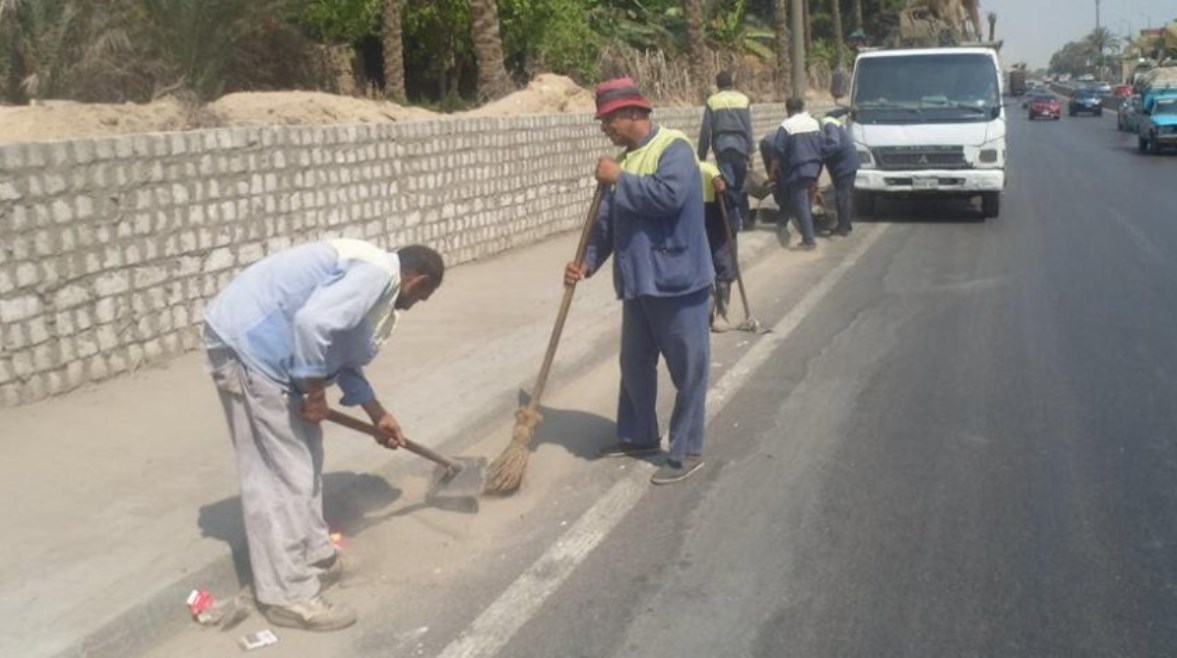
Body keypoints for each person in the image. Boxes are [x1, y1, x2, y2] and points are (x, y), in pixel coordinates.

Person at [202, 239, 444, 631]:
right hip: (248, 350)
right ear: (417, 281)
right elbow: (312, 325)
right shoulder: (375, 275)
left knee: (307, 460)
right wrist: (316, 394)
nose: (416, 305)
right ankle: (287, 596)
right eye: (422, 297)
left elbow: (339, 353)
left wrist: (377, 412)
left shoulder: (373, 281)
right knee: (281, 478)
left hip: (272, 356)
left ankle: (316, 556)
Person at [565, 76, 713, 485]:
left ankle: (687, 450)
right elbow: (608, 224)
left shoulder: (674, 149)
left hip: (677, 281)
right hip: (639, 283)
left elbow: (669, 197)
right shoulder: (626, 159)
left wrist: (619, 180)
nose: (604, 128)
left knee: (689, 371)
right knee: (634, 364)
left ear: (633, 113)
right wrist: (588, 262)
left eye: (607, 119)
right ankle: (638, 435)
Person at [697, 71, 753, 229]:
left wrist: (701, 154)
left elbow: (706, 130)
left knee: (728, 184)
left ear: (717, 84)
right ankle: (745, 218)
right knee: (741, 182)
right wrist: (751, 150)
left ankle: (733, 221)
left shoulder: (713, 101)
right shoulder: (743, 99)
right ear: (732, 83)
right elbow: (749, 127)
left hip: (723, 147)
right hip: (741, 146)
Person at [771, 97, 825, 250]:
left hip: (798, 170)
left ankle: (809, 241)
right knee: (803, 202)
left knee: (801, 204)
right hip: (814, 167)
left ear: (787, 109)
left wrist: (773, 170)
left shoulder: (787, 125)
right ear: (802, 107)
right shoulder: (814, 123)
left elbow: (778, 149)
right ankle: (787, 223)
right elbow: (822, 144)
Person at [699, 160, 738, 332]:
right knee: (702, 268)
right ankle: (706, 314)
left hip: (721, 222)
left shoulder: (710, 170)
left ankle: (722, 314)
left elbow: (733, 201)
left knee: (723, 266)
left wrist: (723, 190)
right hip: (697, 224)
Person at [820, 108, 860, 237]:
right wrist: (847, 109)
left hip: (845, 165)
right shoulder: (828, 119)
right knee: (845, 195)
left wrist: (821, 153)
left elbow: (834, 144)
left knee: (842, 196)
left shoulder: (828, 125)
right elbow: (834, 113)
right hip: (847, 162)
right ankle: (845, 224)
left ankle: (843, 228)